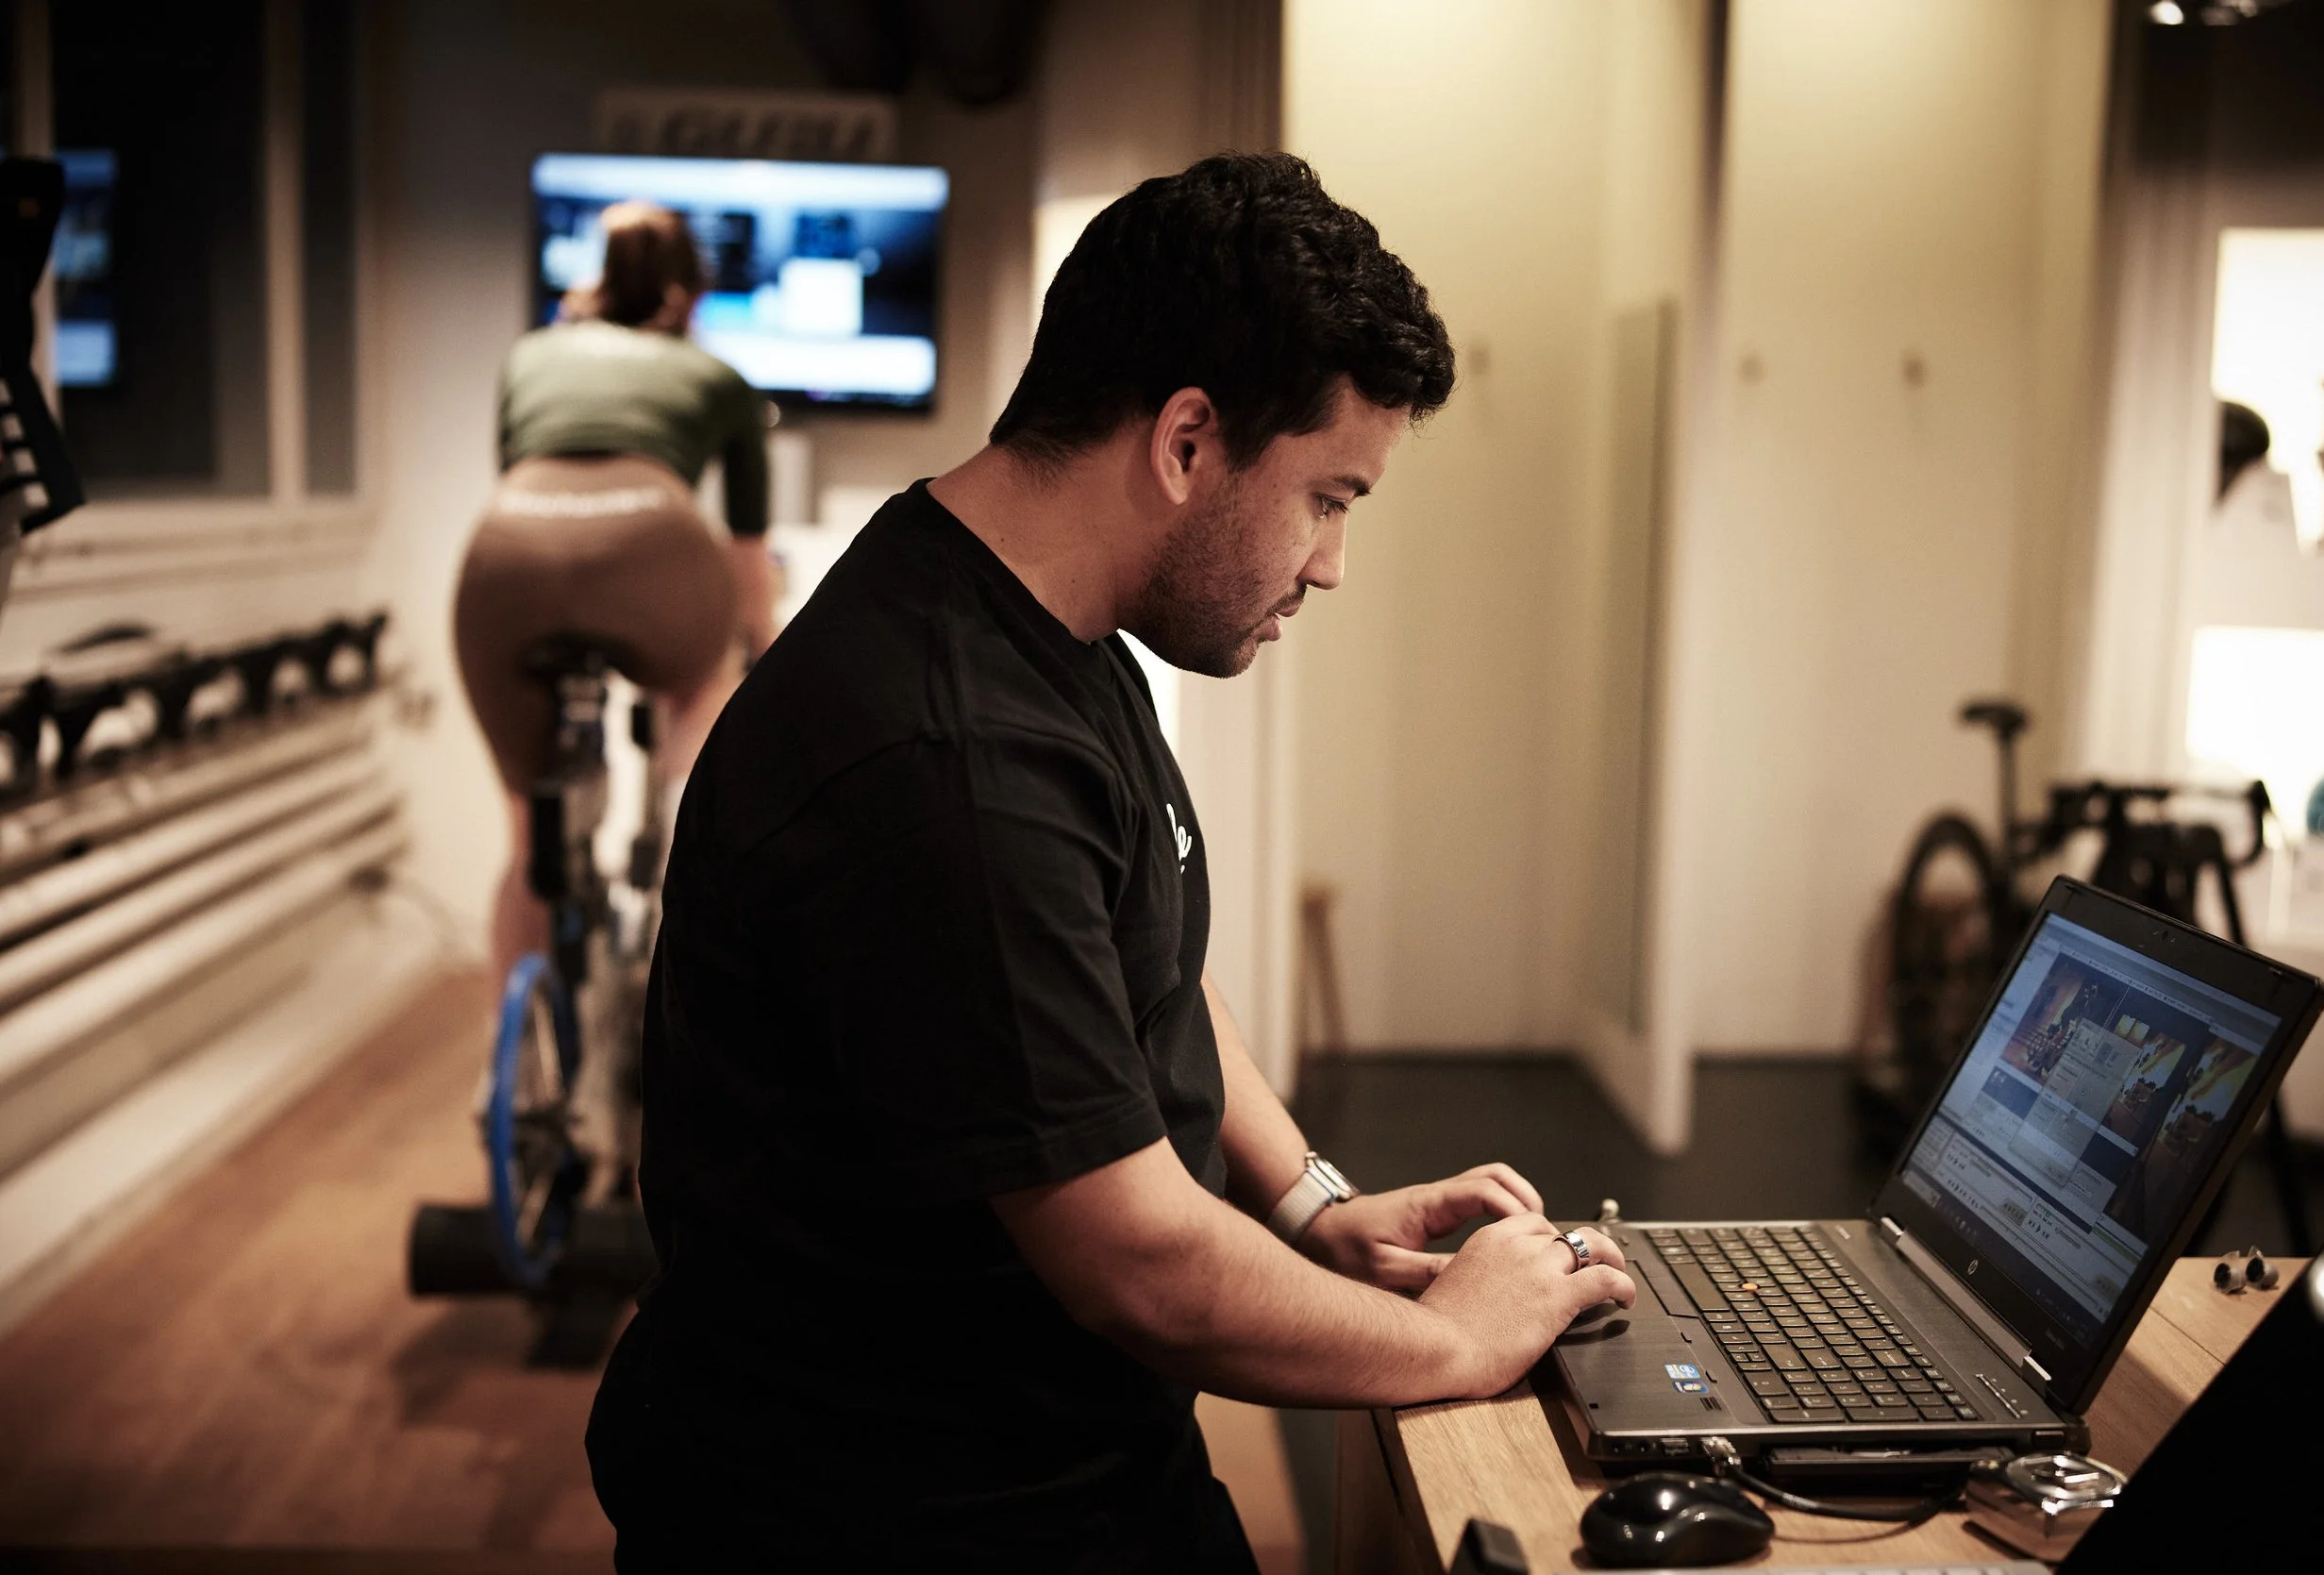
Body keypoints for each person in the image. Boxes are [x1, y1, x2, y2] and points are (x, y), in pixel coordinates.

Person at [585, 153, 1635, 1570]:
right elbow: (1140, 1261)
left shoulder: (1046, 627)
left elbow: (1149, 970)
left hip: (1053, 1460)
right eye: (1329, 497)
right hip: (912, 1519)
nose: (1330, 565)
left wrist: (1313, 1205)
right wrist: (1449, 1337)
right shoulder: (949, 757)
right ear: (1188, 442)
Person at [453, 200, 778, 980]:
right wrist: (758, 648)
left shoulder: (531, 355)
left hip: (506, 554)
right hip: (654, 549)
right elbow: (746, 562)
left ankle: (513, 1064)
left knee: (531, 846)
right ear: (688, 296)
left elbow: (518, 470)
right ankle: (676, 849)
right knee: (705, 689)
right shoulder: (719, 378)